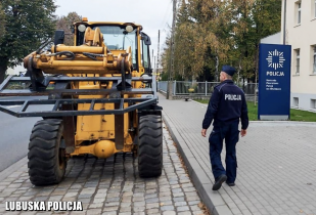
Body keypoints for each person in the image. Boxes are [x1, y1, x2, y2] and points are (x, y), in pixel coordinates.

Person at [201, 65, 249, 191]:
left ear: (223, 75)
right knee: (231, 151)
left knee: (215, 149)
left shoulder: (219, 89)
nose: (219, 77)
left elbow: (212, 109)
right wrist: (244, 126)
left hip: (220, 125)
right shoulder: (240, 91)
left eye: (220, 75)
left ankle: (219, 174)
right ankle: (231, 180)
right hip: (234, 127)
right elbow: (244, 111)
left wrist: (205, 126)